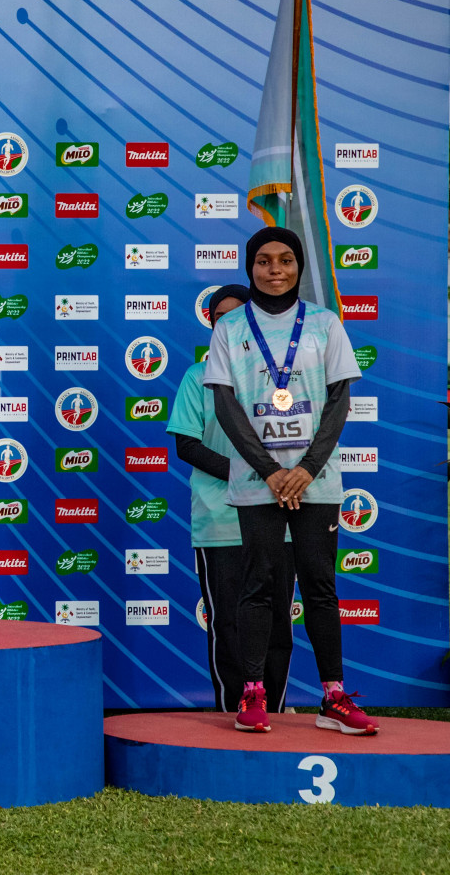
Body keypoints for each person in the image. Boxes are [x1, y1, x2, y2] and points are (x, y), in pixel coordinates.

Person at [204, 227, 377, 735]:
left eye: (285, 260)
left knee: (320, 587)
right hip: (259, 481)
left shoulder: (325, 324)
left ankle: (333, 697)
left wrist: (304, 469)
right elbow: (226, 404)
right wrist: (271, 470)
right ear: (249, 267)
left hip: (315, 482)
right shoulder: (230, 328)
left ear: (299, 267)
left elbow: (339, 400)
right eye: (263, 261)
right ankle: (253, 694)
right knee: (257, 584)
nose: (274, 269)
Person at [167, 284, 294, 714]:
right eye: (219, 317)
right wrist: (255, 475)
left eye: (236, 315)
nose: (227, 324)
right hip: (220, 522)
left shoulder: (284, 376)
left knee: (277, 621)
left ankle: (272, 709)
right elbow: (186, 444)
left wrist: (278, 480)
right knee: (229, 623)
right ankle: (233, 710)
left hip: (281, 518)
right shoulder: (195, 376)